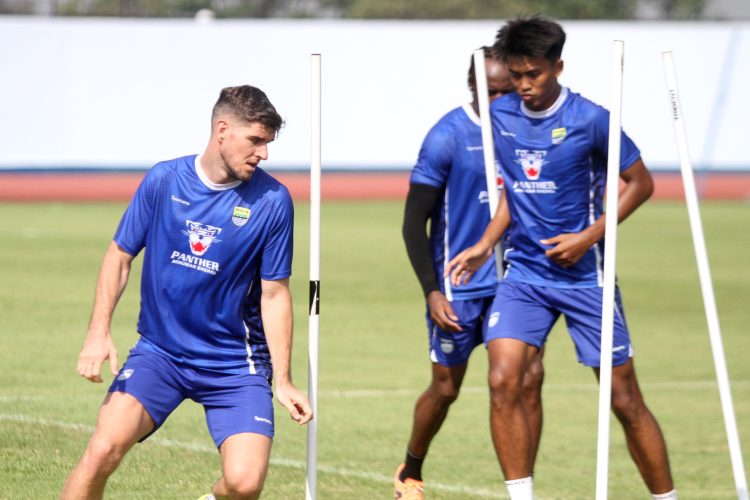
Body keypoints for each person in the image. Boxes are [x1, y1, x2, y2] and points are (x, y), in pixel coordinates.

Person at [447, 16, 676, 500]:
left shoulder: (591, 119)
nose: (524, 85)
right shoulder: (502, 115)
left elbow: (641, 183)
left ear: (558, 66)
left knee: (624, 399)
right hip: (524, 276)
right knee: (503, 378)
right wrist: (487, 242)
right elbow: (514, 192)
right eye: (517, 75)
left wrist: (588, 237)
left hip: (585, 278)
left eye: (535, 74)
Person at [60, 85, 313, 500]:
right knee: (102, 450)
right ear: (222, 130)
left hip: (235, 365)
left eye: (268, 143)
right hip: (161, 354)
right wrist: (97, 331)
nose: (263, 154)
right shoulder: (164, 179)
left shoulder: (273, 201)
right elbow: (119, 256)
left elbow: (274, 295)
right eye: (255, 140)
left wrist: (282, 380)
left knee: (244, 483)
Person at [394, 48, 544, 500]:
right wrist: (431, 291)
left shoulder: (527, 130)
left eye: (510, 90)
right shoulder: (447, 136)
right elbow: (412, 222)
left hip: (515, 284)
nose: (505, 100)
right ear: (475, 88)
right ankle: (411, 468)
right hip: (459, 287)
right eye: (494, 92)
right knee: (445, 388)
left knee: (528, 377)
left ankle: (523, 487)